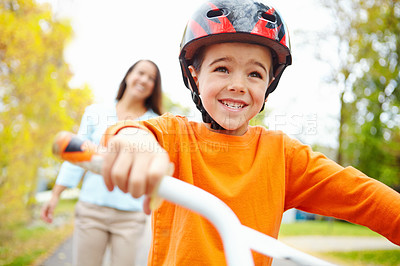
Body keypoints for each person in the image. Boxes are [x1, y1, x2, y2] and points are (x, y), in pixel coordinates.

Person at [99, 1, 400, 265]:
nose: (238, 85)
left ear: (269, 85)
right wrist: (134, 142)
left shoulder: (283, 155)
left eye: (255, 74)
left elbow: (363, 196)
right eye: (222, 69)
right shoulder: (176, 135)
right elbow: (133, 131)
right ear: (195, 75)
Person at [41, 59, 163, 266]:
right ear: (128, 75)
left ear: (154, 87)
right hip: (92, 210)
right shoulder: (95, 113)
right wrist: (55, 195)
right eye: (140, 73)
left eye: (151, 78)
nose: (144, 80)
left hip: (130, 216)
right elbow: (74, 157)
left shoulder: (156, 123)